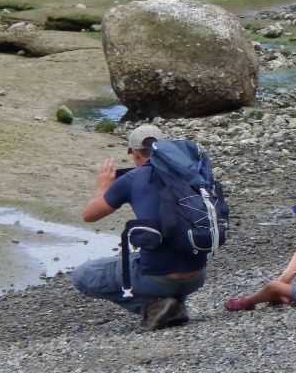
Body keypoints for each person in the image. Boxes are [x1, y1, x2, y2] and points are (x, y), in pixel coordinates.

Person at [72, 124, 207, 331]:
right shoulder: (191, 172)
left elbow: (89, 214)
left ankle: (154, 306)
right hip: (198, 275)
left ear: (135, 152)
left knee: (83, 275)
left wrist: (103, 187)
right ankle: (172, 302)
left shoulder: (132, 178)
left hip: (157, 277)